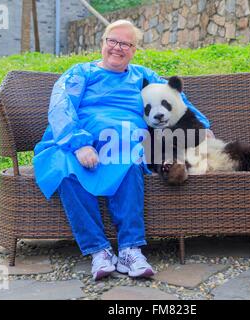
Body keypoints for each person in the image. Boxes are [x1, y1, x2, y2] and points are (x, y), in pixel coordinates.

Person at [33, 20, 211, 281]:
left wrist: (201, 125)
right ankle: (99, 251)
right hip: (78, 140)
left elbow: (174, 97)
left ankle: (130, 250)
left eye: (125, 44)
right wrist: (79, 143)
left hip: (124, 143)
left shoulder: (143, 76)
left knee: (131, 164)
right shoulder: (80, 73)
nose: (117, 48)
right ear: (103, 43)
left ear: (134, 49)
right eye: (112, 41)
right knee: (66, 171)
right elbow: (61, 107)